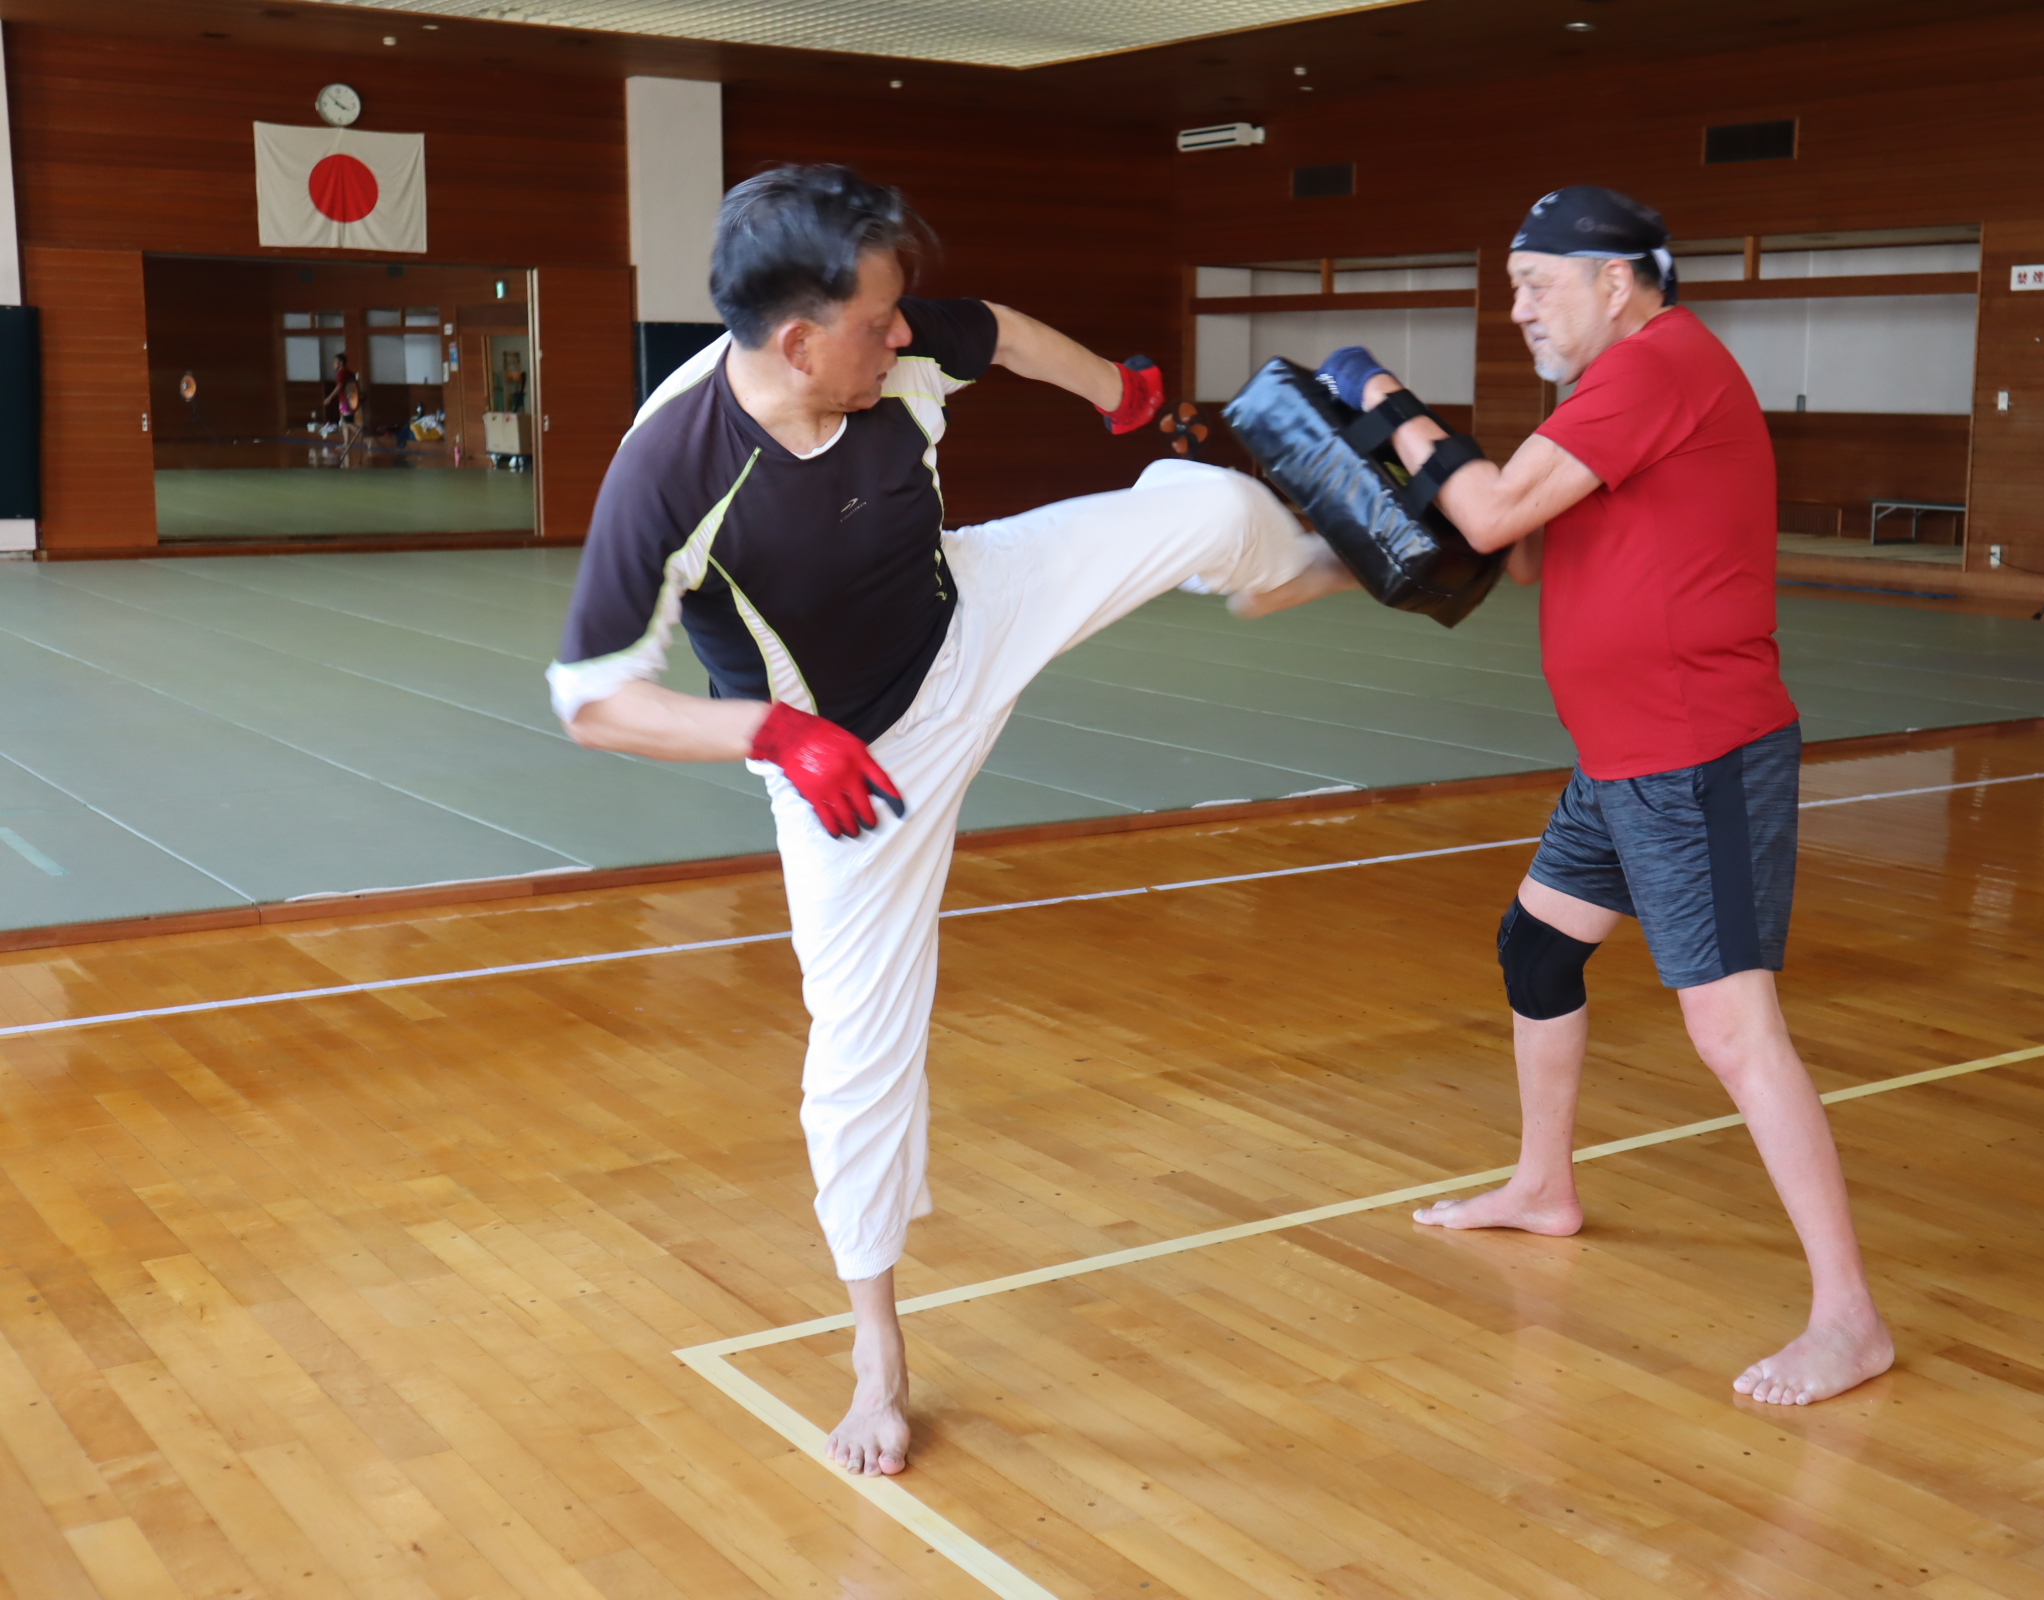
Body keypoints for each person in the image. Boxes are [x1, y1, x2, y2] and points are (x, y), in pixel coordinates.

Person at [547, 164, 1349, 1476]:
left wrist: (1117, 390)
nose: (901, 337)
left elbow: (1006, 332)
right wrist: (773, 735)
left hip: (969, 607)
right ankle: (879, 1356)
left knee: (1209, 504)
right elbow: (592, 699)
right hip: (849, 766)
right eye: (876, 325)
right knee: (861, 1053)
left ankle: (1293, 573)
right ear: (797, 342)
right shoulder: (671, 467)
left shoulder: (894, 338)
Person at [1314, 186, 1893, 1407]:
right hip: (1621, 755)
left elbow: (1494, 510)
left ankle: (1849, 1317)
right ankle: (1543, 1186)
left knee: (1734, 1031)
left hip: (1695, 753)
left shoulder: (1656, 366)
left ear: (1616, 282)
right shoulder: (1606, 389)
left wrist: (1385, 402)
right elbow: (1520, 549)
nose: (1519, 308)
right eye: (1513, 287)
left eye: (1538, 283)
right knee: (1537, 950)